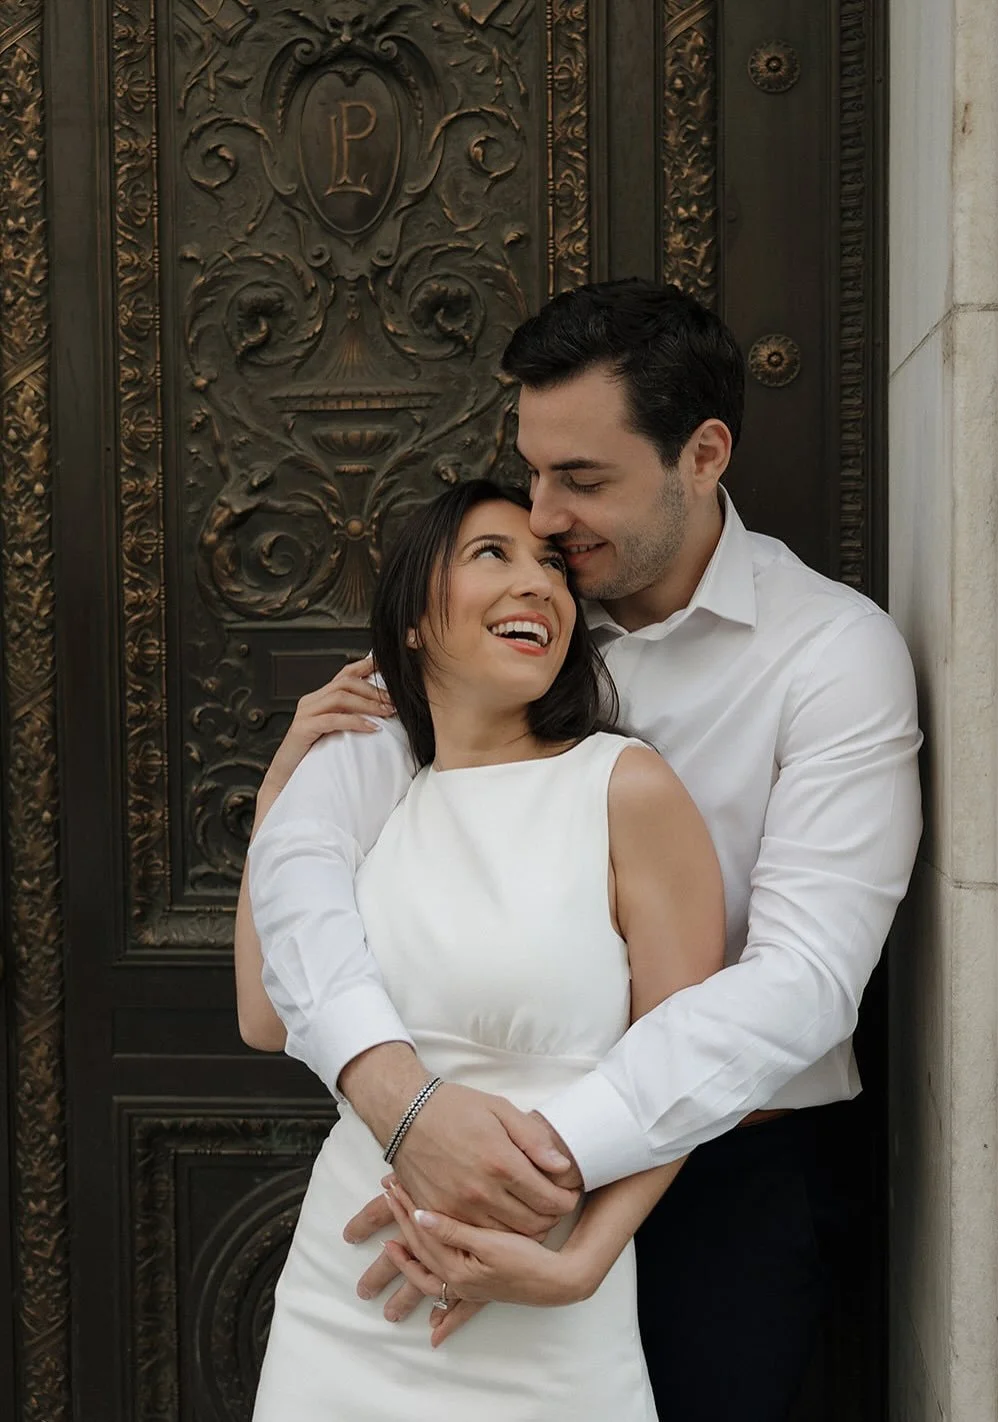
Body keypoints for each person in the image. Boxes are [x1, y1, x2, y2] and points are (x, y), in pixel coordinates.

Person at [242, 279, 923, 1421]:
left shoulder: (831, 656)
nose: (545, 516)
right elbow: (303, 882)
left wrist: (543, 1167)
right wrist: (401, 1103)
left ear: (702, 454)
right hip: (422, 1176)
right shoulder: (488, 630)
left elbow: (803, 983)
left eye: (584, 479)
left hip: (721, 1190)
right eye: (534, 469)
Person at [242, 479, 725, 1420]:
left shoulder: (623, 786)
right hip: (347, 1292)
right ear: (412, 621)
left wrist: (580, 1254)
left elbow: (689, 1067)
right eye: (491, 555)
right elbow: (266, 1017)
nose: (538, 583)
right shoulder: (375, 800)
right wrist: (284, 784)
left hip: (536, 1298)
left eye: (551, 565)